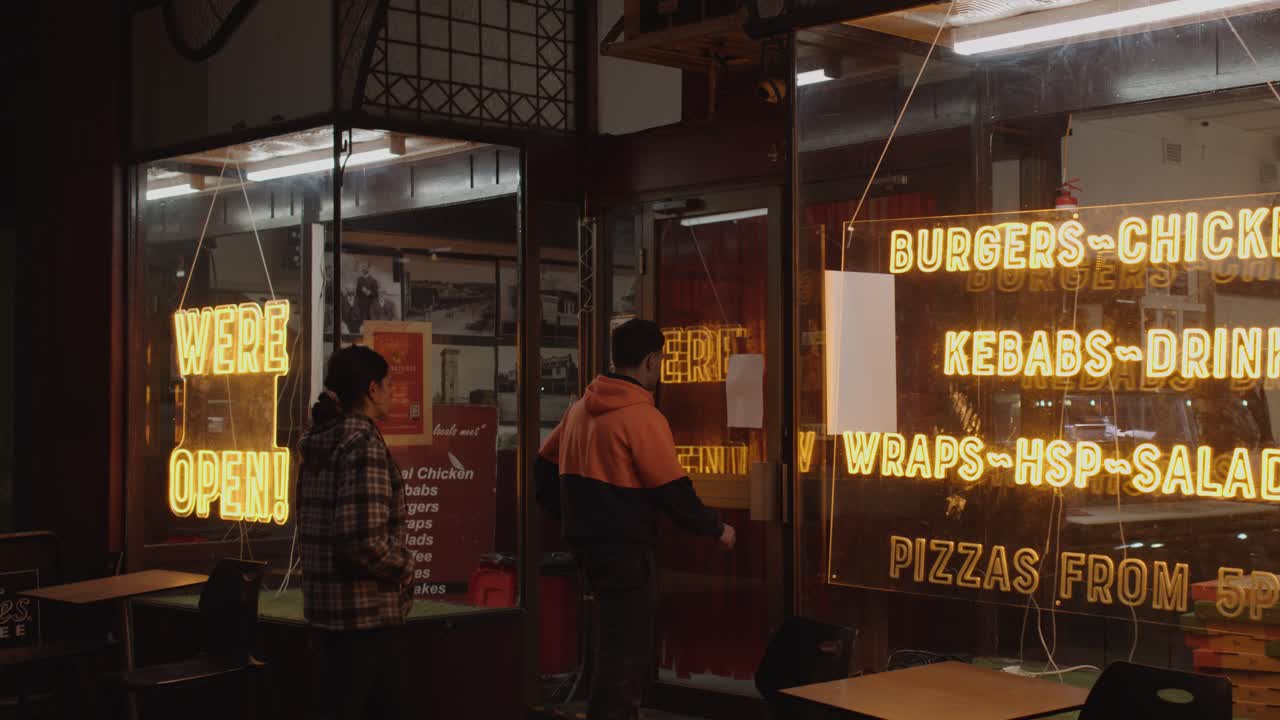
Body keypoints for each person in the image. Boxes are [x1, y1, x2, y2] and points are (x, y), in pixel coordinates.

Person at [536, 319, 736, 720]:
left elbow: (542, 470)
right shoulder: (641, 417)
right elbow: (671, 490)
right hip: (626, 550)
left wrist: (576, 518)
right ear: (650, 360)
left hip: (588, 548)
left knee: (610, 649)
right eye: (660, 360)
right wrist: (716, 528)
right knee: (625, 657)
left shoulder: (578, 410)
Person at [298, 345, 413, 719]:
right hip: (363, 613)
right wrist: (405, 567)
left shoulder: (323, 439)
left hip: (326, 607)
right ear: (371, 389)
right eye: (389, 384)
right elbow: (360, 539)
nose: (393, 393)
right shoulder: (362, 443)